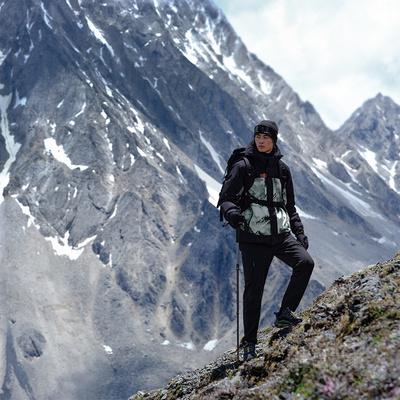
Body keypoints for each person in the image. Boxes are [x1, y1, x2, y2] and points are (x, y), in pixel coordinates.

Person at [218, 120, 314, 361]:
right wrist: (232, 214)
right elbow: (227, 197)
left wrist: (299, 232)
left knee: (305, 263)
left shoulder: (283, 170)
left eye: (266, 137)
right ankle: (249, 343)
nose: (261, 140)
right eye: (257, 136)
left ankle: (285, 312)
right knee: (254, 290)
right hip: (252, 237)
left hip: (281, 235)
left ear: (274, 140)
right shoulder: (243, 166)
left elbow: (289, 206)